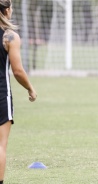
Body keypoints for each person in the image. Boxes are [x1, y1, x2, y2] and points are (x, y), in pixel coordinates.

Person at [0, 1, 37, 183]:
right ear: (7, 10)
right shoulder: (10, 37)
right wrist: (30, 88)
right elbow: (17, 71)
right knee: (0, 145)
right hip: (1, 94)